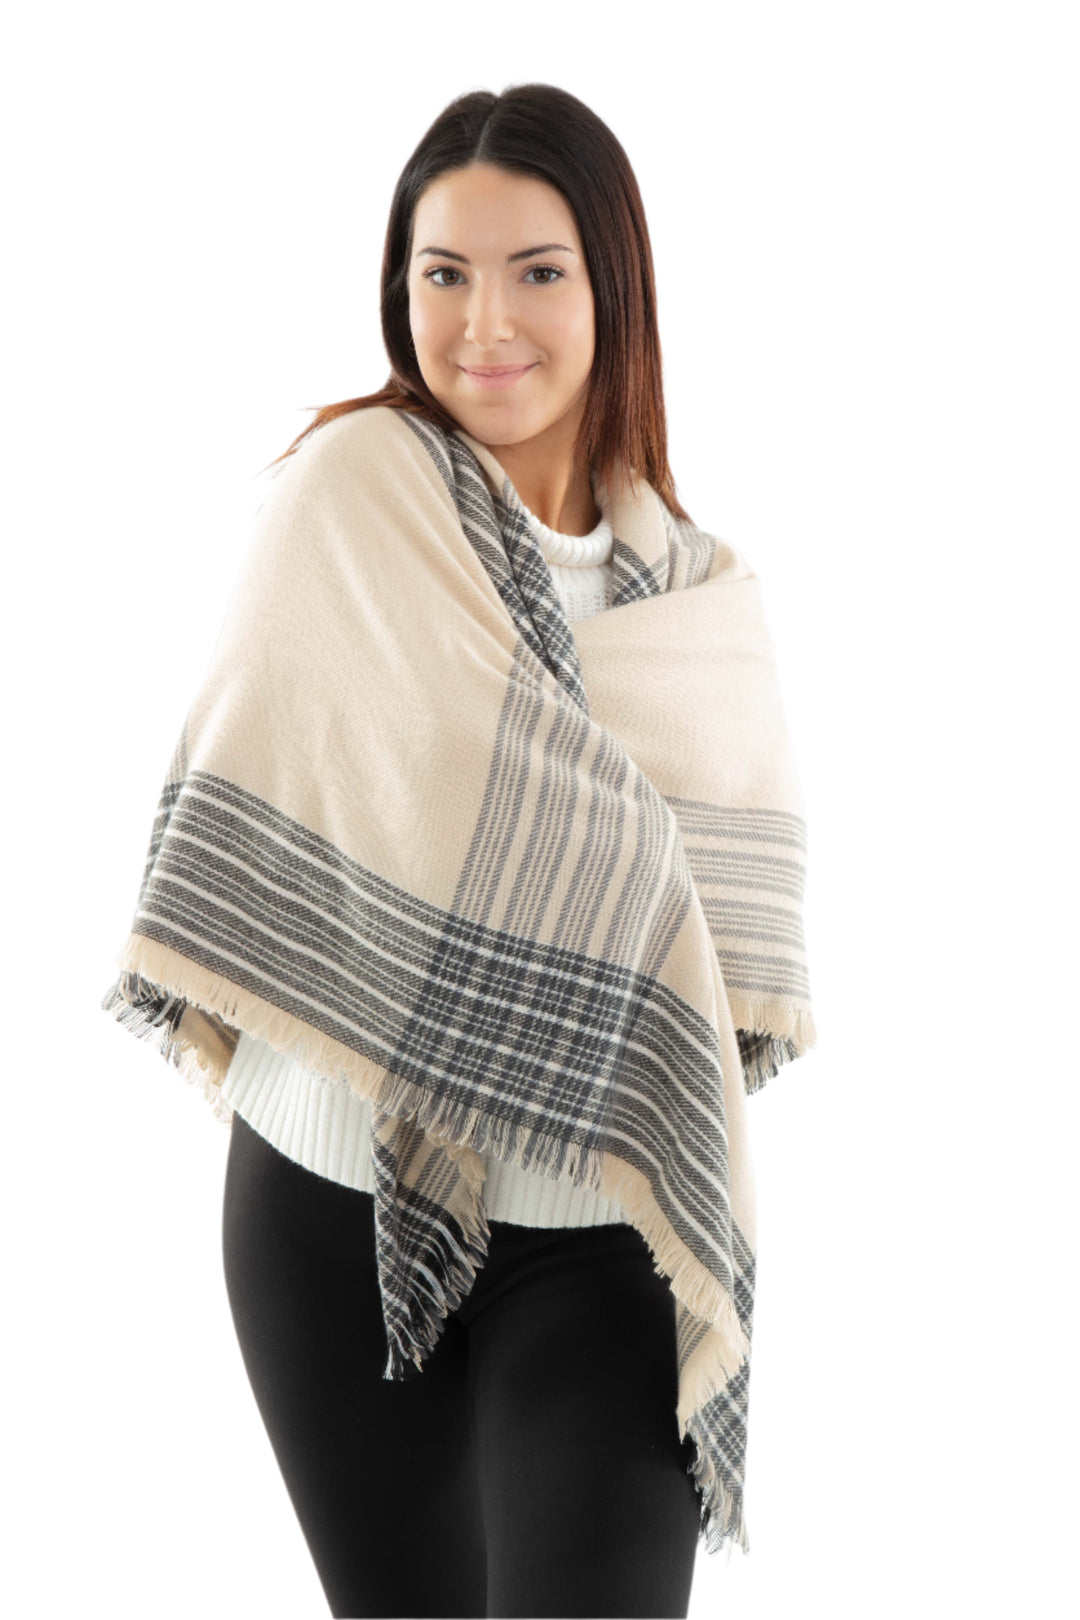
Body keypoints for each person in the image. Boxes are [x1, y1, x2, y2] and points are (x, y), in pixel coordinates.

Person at [103, 76, 816, 1620]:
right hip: (331, 1200)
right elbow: (250, 805)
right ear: (400, 292)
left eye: (536, 272)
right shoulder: (347, 504)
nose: (485, 323)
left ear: (612, 291)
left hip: (606, 1221)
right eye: (444, 274)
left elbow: (718, 964)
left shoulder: (701, 605)